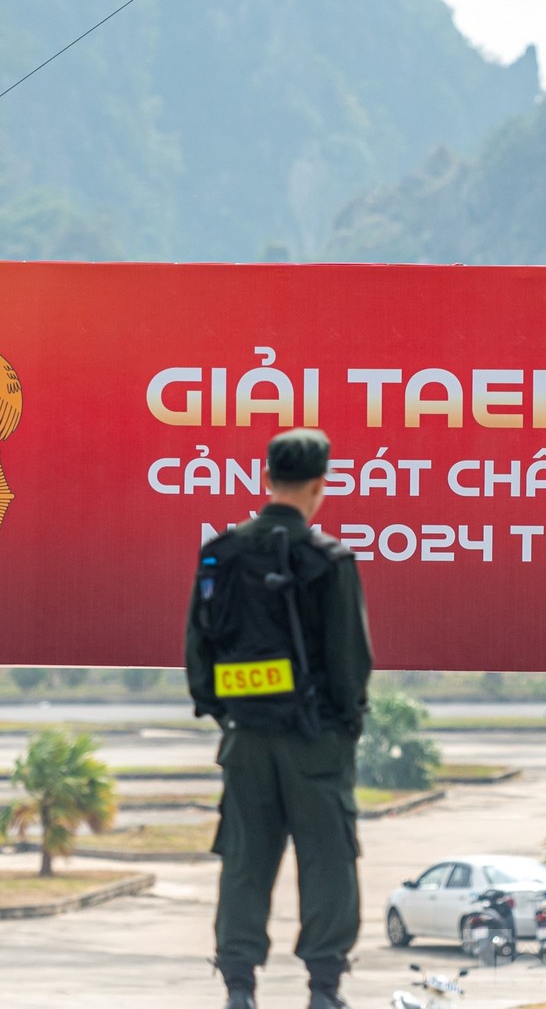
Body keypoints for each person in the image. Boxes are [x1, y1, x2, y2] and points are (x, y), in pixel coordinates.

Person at [186, 428, 374, 1009]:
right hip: (314, 740)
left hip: (245, 738)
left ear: (267, 478)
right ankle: (323, 991)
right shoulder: (328, 561)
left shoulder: (220, 552)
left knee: (245, 860)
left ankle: (239, 988)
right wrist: (345, 726)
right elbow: (350, 661)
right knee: (328, 863)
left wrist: (229, 714)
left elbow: (199, 651)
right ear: (320, 485)